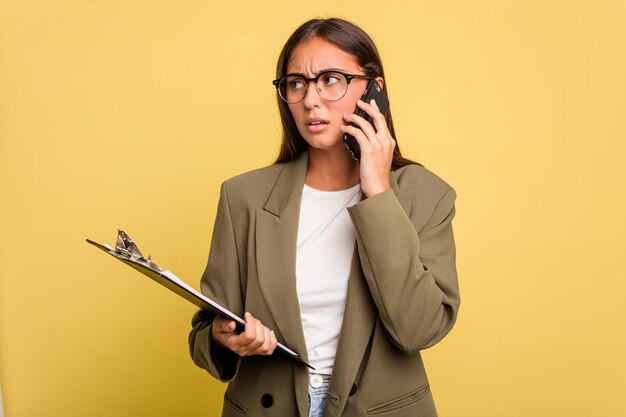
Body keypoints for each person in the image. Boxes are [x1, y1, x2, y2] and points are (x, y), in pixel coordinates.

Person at [189, 17, 460, 417]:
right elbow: (206, 331)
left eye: (330, 79)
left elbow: (419, 328)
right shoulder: (242, 196)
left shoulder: (426, 195)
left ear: (374, 89)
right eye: (296, 83)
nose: (311, 99)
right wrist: (222, 337)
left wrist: (378, 193)